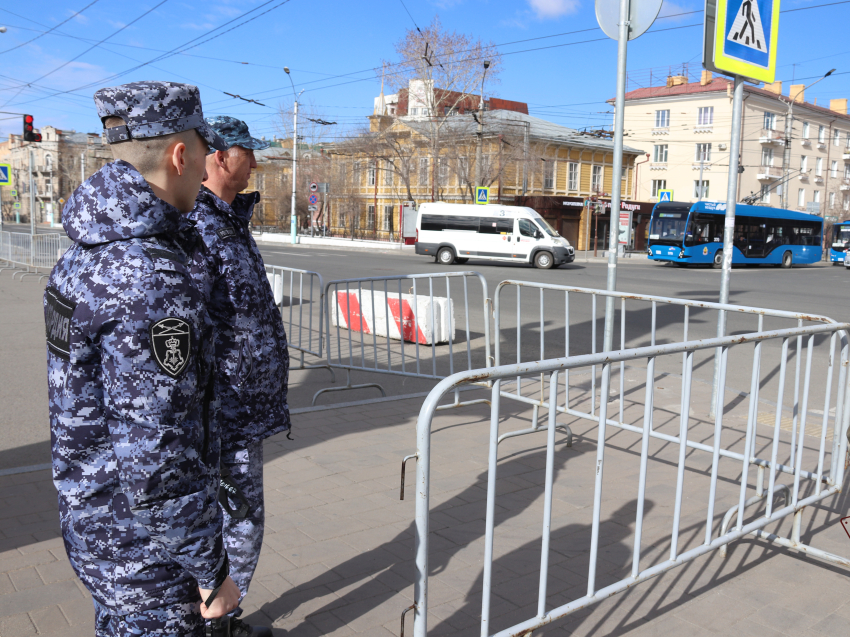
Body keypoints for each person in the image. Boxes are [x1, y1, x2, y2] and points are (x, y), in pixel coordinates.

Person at [43, 81, 241, 636]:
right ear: (180, 155)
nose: (206, 170)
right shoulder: (149, 280)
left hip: (95, 520)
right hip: (147, 549)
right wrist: (211, 569)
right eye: (203, 153)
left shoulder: (86, 247)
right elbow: (157, 454)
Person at [189, 116, 290, 637]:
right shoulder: (197, 226)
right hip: (222, 414)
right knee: (241, 522)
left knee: (234, 520)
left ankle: (218, 617)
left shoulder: (231, 219)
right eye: (248, 153)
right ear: (221, 157)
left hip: (244, 411)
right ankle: (216, 623)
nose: (255, 163)